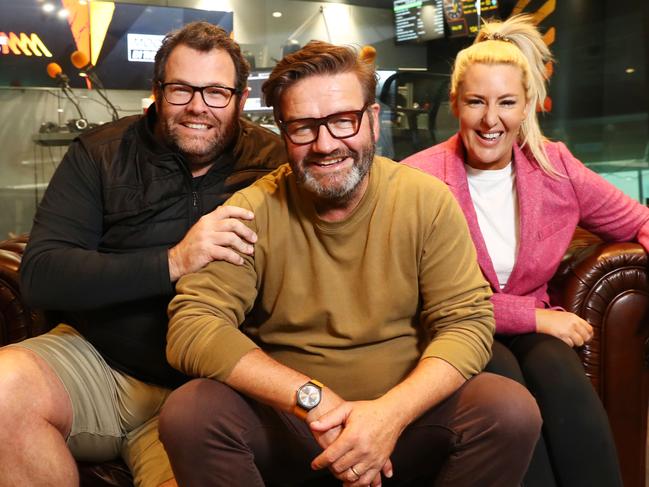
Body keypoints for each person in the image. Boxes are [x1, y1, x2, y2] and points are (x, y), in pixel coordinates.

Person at [158, 40, 542, 487]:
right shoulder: (251, 210)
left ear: (373, 122)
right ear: (283, 131)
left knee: (509, 410)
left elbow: (468, 323)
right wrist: (311, 400)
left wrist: (388, 416)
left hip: (407, 420)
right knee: (190, 413)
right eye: (304, 127)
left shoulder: (426, 201)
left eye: (343, 121)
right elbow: (193, 325)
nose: (326, 145)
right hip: (291, 424)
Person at [0, 21, 286, 487]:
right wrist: (173, 261)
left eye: (216, 92)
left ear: (238, 97)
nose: (198, 107)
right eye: (181, 90)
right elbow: (42, 274)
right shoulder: (101, 153)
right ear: (156, 91)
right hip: (102, 366)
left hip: (211, 386)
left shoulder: (274, 164)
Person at [402, 14, 647, 487]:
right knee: (509, 395)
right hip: (455, 329)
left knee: (563, 380)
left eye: (506, 103)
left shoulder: (555, 166)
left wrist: (535, 322)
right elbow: (423, 297)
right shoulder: (417, 180)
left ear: (527, 105)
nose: (491, 120)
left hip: (531, 326)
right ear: (454, 103)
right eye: (476, 102)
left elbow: (639, 220)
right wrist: (535, 318)